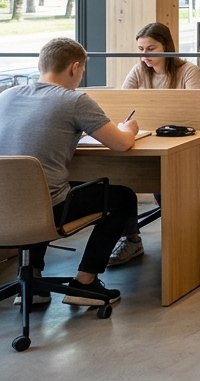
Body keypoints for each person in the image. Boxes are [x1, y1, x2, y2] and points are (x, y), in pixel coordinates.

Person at [0, 38, 141, 307]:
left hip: (4, 208)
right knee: (123, 197)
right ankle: (84, 283)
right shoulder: (75, 101)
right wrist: (129, 128)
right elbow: (122, 144)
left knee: (39, 188)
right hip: (48, 209)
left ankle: (34, 284)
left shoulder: (6, 95)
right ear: (75, 67)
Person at [111, 21, 200, 266]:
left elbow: (195, 110)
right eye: (141, 50)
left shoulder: (187, 70)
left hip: (181, 141)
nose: (145, 56)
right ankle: (131, 239)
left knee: (166, 178)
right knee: (121, 177)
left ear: (167, 47)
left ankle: (181, 237)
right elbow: (123, 106)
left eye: (150, 49)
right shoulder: (139, 70)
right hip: (145, 140)